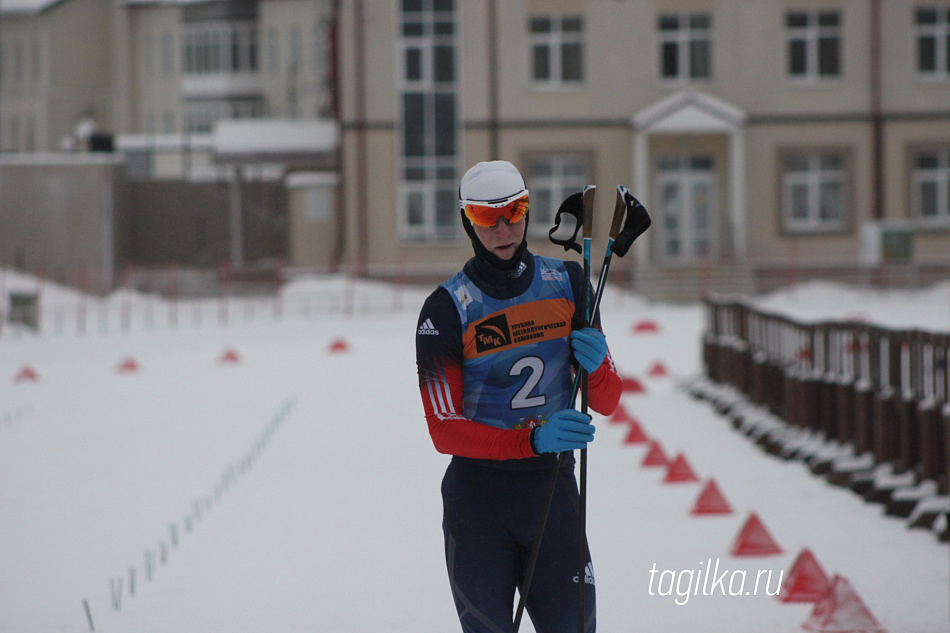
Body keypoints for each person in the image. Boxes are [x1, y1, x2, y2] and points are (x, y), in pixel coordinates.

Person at [415, 160, 622, 633]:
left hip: (553, 492)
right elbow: (443, 430)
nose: (504, 227)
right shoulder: (446, 308)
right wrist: (529, 441)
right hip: (480, 502)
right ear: (468, 220)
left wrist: (598, 364)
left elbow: (608, 400)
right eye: (488, 217)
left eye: (515, 210)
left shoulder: (568, 282)